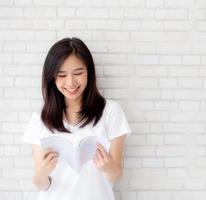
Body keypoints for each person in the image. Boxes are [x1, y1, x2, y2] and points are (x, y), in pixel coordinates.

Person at [22, 37, 132, 200]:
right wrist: (43, 173)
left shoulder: (110, 112)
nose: (71, 82)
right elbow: (41, 184)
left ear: (89, 71)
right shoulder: (40, 119)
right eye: (62, 75)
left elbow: (116, 175)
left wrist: (107, 167)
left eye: (78, 73)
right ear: (52, 77)